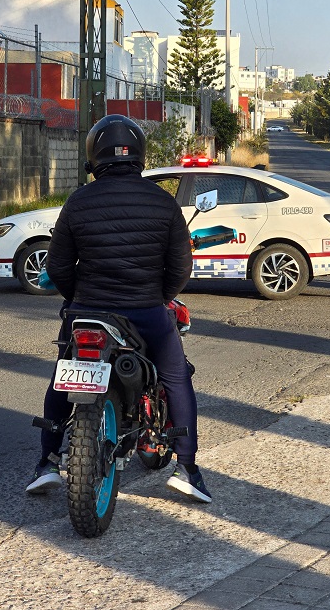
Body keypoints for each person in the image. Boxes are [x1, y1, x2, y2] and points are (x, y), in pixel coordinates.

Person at [26, 114, 211, 503]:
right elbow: (180, 268)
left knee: (65, 372)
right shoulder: (163, 203)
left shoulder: (78, 201)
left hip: (86, 311)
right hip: (145, 311)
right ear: (139, 156)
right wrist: (156, 296)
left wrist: (81, 297)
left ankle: (46, 461)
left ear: (94, 157)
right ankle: (188, 468)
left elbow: (57, 266)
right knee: (176, 376)